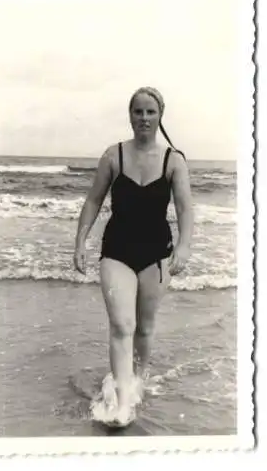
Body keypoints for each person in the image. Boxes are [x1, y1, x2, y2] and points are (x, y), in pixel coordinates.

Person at [74, 87, 193, 426]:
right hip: (117, 251)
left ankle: (138, 382)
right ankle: (122, 402)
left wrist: (184, 247)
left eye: (150, 112)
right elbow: (93, 201)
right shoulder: (114, 156)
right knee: (122, 325)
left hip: (157, 254)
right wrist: (80, 242)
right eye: (138, 112)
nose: (144, 118)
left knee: (144, 329)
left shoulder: (174, 160)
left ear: (160, 116)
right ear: (130, 115)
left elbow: (185, 209)